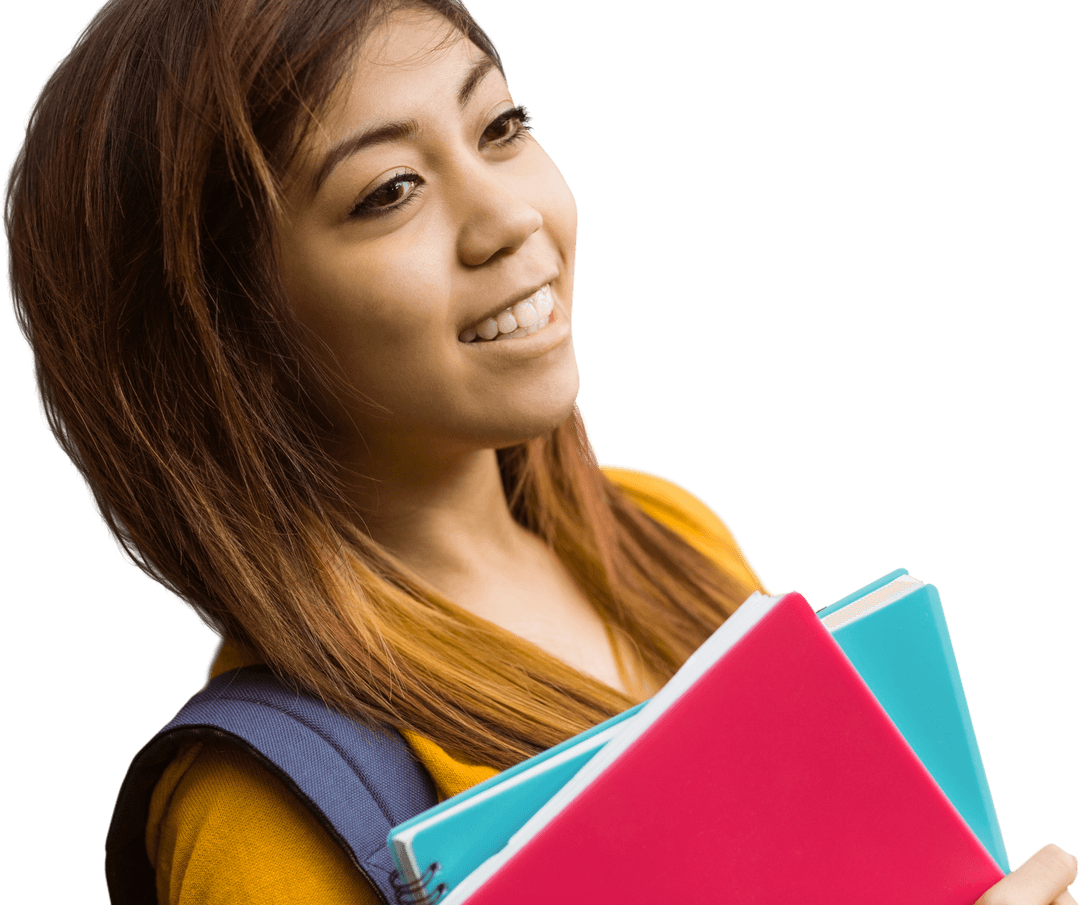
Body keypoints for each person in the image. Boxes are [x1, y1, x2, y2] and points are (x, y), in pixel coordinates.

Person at [4, 0, 1075, 903]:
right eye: (388, 193)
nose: (507, 217)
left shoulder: (662, 523)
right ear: (223, 338)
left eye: (502, 126)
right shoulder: (258, 807)